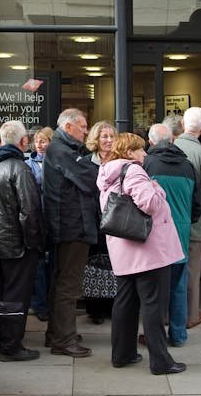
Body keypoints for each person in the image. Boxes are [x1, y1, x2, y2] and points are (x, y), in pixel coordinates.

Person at [97, 133, 186, 376]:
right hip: (148, 251)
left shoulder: (107, 173)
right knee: (153, 306)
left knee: (125, 302)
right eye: (140, 150)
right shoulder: (134, 171)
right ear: (128, 152)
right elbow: (149, 204)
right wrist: (157, 188)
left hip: (124, 251)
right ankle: (161, 362)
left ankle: (122, 354)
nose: (145, 154)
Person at [0, 120, 45, 361]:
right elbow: (30, 212)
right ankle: (11, 346)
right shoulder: (20, 168)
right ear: (23, 141)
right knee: (17, 297)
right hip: (17, 246)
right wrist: (35, 243)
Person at [43, 108, 98, 358]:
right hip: (72, 227)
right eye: (83, 126)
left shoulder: (63, 149)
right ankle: (63, 340)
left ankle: (57, 334)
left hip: (68, 225)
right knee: (69, 284)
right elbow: (90, 179)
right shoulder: (62, 150)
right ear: (68, 127)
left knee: (61, 282)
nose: (86, 131)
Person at [144, 124, 201, 346]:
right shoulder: (188, 166)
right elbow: (198, 204)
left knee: (155, 288)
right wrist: (186, 221)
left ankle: (155, 336)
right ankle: (178, 335)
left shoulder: (148, 163)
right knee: (179, 284)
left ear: (151, 142)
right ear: (172, 140)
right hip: (181, 231)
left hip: (156, 233)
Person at [173, 107, 201, 329]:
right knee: (192, 270)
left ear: (182, 124)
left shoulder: (170, 149)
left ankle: (169, 314)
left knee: (169, 269)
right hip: (195, 221)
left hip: (169, 221)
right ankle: (190, 315)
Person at [82, 120, 117, 325]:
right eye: (104, 136)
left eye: (112, 136)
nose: (108, 140)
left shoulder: (121, 160)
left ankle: (113, 306)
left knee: (114, 265)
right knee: (94, 265)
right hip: (92, 220)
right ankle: (95, 310)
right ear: (96, 138)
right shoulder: (86, 162)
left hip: (115, 222)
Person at [25, 126, 53, 322]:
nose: (39, 144)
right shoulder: (28, 163)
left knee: (53, 263)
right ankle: (40, 304)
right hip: (37, 219)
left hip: (55, 219)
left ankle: (50, 302)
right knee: (39, 264)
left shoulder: (56, 162)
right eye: (37, 141)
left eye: (43, 140)